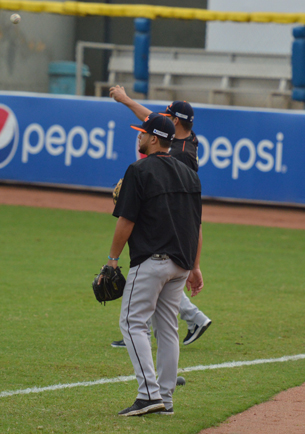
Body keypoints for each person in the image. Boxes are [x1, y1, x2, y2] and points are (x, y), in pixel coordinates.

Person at [107, 113, 204, 416]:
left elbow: (127, 220)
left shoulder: (139, 169)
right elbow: (197, 224)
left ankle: (148, 394)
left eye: (142, 133)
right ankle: (166, 399)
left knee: (132, 323)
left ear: (152, 139)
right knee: (167, 329)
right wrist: (196, 266)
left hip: (152, 260)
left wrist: (112, 259)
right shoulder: (189, 173)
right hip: (181, 263)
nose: (139, 136)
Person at [108, 85, 211, 348]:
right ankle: (187, 320)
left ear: (175, 122)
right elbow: (153, 121)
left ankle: (191, 318)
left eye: (168, 116)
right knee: (163, 285)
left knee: (156, 274)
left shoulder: (180, 156)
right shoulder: (186, 138)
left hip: (168, 224)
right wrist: (126, 100)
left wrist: (136, 192)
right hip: (175, 236)